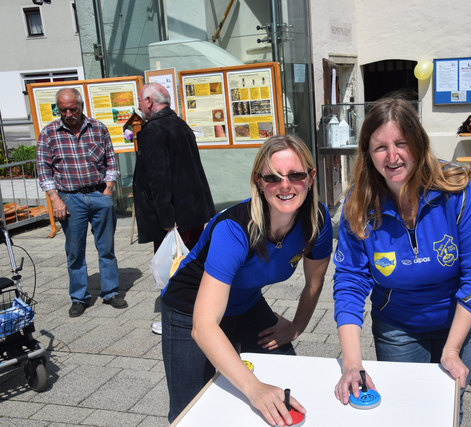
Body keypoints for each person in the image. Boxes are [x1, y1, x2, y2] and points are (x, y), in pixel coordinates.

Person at [332, 98, 471, 420]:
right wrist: (352, 365)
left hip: (460, 321)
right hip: (398, 327)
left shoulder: (457, 191)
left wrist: (451, 350)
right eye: (380, 147)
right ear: (367, 153)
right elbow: (350, 281)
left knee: (448, 406)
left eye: (401, 144)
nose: (392, 157)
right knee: (405, 410)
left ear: (419, 144)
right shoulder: (358, 204)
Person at [161, 135, 333, 424]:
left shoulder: (317, 220)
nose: (286, 185)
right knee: (190, 410)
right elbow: (204, 327)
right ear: (258, 181)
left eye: (296, 175)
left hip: (245, 302)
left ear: (311, 177)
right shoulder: (234, 228)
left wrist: (296, 327)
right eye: (273, 178)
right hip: (189, 309)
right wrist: (254, 388)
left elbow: (314, 283)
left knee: (289, 377)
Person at [132, 83, 216, 335]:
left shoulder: (153, 130)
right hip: (193, 211)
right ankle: (200, 311)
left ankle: (177, 318)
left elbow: (158, 178)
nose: (138, 105)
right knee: (191, 262)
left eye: (140, 100)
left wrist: (166, 218)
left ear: (149, 101)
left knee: (171, 267)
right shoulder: (180, 124)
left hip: (174, 217)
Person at [36, 88, 126, 317]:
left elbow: (111, 162)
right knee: (75, 251)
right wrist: (55, 199)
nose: (68, 114)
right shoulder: (49, 133)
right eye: (63, 109)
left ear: (81, 106)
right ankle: (79, 297)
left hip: (98, 195)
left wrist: (108, 190)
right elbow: (43, 171)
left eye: (72, 109)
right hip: (69, 198)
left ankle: (111, 292)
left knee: (106, 248)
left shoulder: (98, 128)